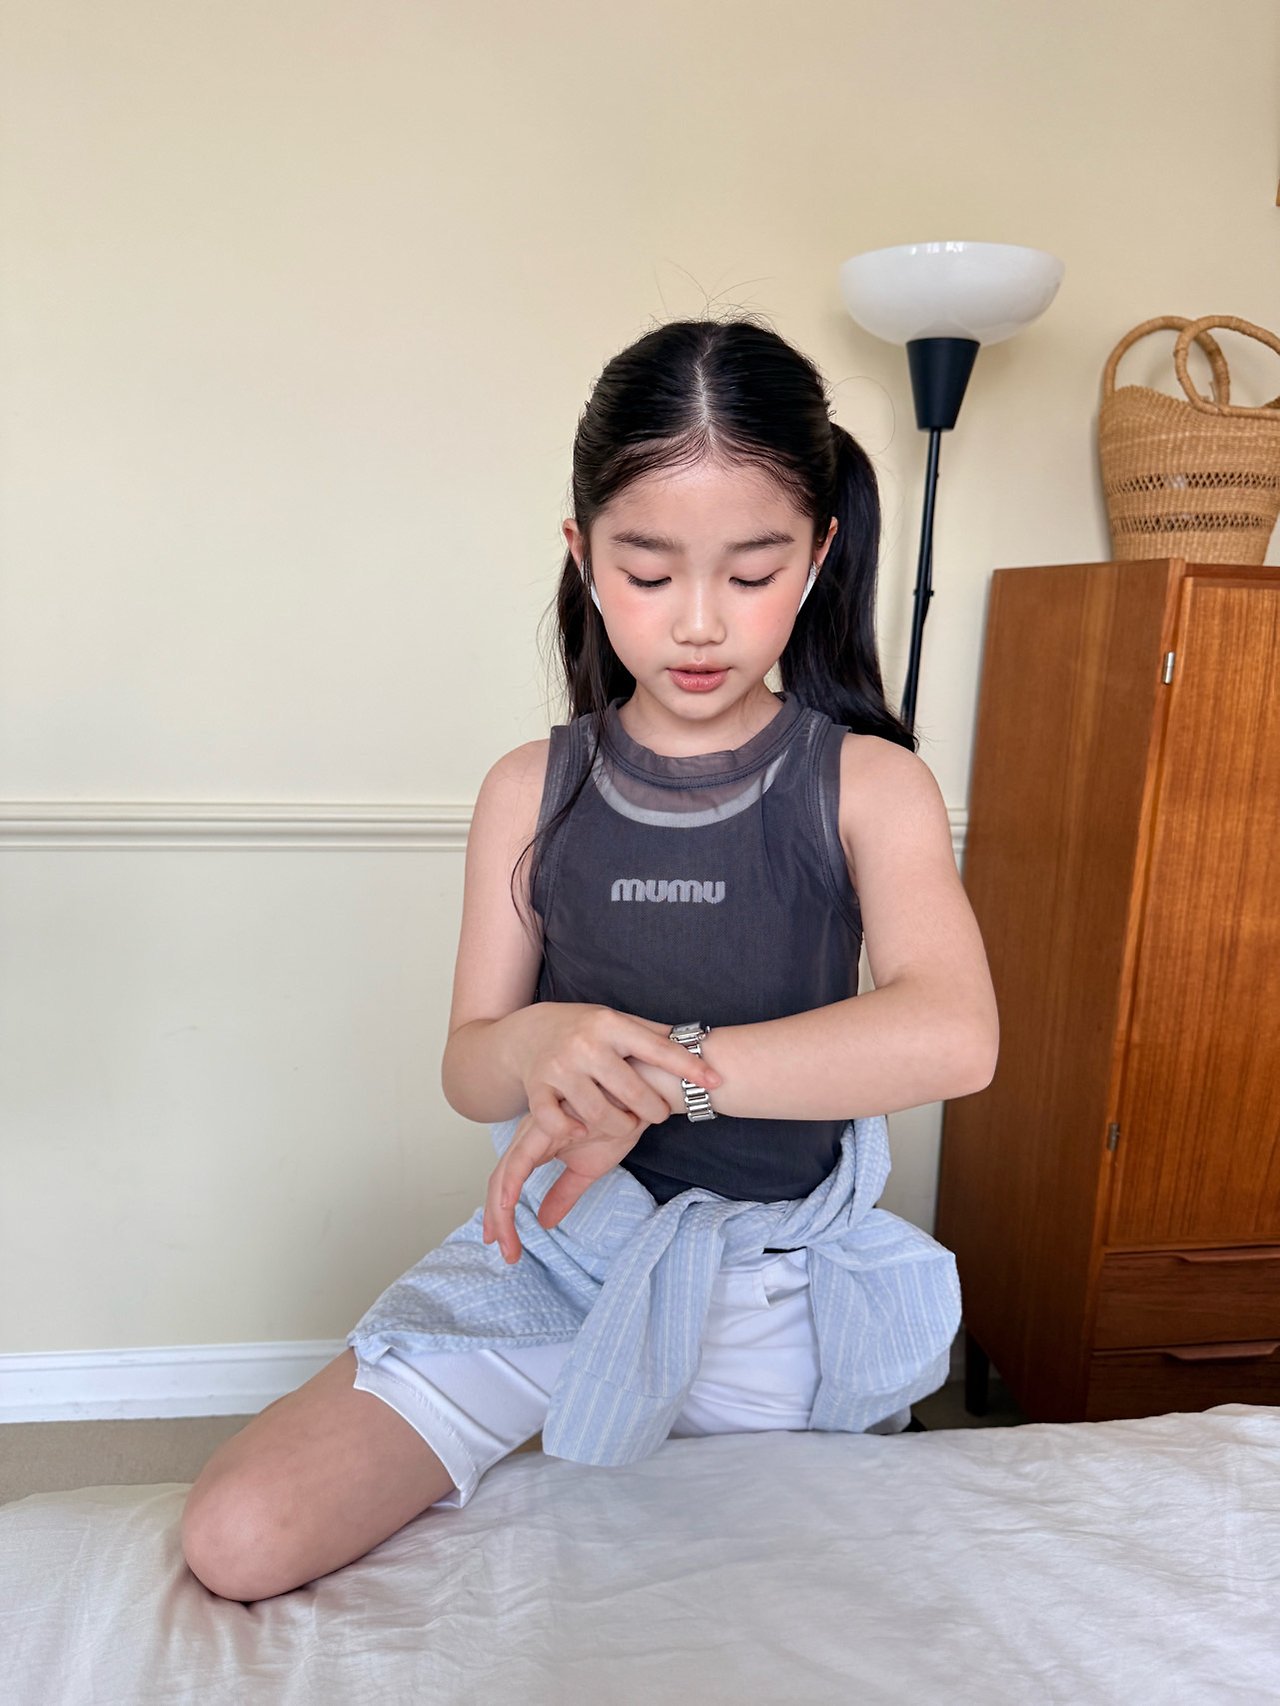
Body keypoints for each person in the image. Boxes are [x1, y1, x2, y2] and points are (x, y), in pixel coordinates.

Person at [180, 314, 999, 1604]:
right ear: (582, 554)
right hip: (558, 1260)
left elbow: (954, 1033)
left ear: (819, 554)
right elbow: (469, 1069)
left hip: (774, 1288)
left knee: (776, 1625)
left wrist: (660, 1076)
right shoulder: (529, 788)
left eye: (753, 572)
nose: (699, 624)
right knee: (240, 1537)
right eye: (647, 570)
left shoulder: (869, 783)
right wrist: (535, 1043)